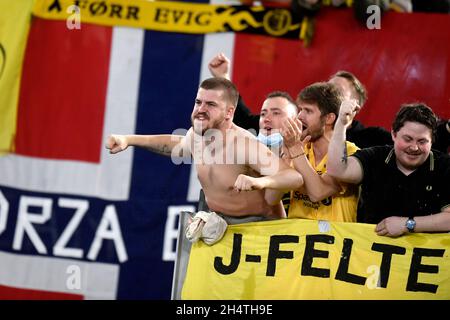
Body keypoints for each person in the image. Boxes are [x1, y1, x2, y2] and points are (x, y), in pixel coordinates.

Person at [106, 77, 303, 224]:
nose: (201, 109)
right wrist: (129, 140)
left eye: (210, 104)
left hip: (257, 227)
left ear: (229, 112)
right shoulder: (197, 135)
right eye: (198, 102)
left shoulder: (243, 145)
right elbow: (178, 146)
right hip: (217, 224)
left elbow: (293, 177)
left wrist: (260, 181)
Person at [209, 53, 450, 152]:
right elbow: (245, 122)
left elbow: (412, 146)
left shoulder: (369, 140)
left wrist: (447, 130)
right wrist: (223, 79)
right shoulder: (296, 126)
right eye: (326, 87)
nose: (326, 93)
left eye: (335, 92)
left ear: (355, 106)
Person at [327, 101, 450, 237]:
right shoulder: (375, 157)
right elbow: (337, 170)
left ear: (432, 140)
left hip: (428, 257)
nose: (414, 147)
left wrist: (407, 224)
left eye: (422, 141)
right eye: (408, 139)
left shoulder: (444, 166)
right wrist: (341, 124)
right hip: (370, 254)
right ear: (393, 134)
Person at [281, 82, 359, 222]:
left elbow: (318, 193)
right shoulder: (297, 147)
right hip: (295, 240)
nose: (299, 116)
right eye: (300, 109)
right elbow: (271, 197)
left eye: (308, 111)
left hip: (333, 240)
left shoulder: (351, 154)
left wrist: (294, 149)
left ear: (329, 118)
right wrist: (287, 155)